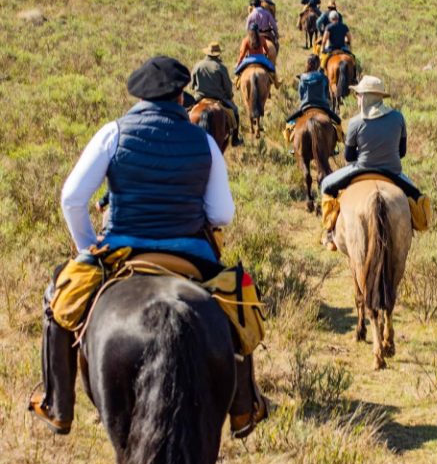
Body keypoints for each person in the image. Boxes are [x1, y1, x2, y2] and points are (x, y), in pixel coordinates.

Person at [27, 56, 268, 438]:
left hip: (121, 249)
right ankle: (243, 410)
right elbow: (222, 214)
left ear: (139, 96)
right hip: (191, 254)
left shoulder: (113, 133)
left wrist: (90, 248)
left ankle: (58, 406)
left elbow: (72, 199)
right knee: (238, 303)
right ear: (180, 96)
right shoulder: (204, 141)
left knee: (57, 296)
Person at [319, 75, 416, 247]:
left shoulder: (355, 122)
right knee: (416, 195)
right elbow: (402, 152)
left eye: (358, 95)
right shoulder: (398, 117)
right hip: (393, 171)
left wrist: (366, 154)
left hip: (361, 169)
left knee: (326, 184)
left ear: (364, 97)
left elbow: (349, 157)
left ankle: (329, 230)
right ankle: (412, 226)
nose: (357, 98)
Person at [284, 55, 343, 154]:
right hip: (322, 107)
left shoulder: (302, 78)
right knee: (338, 122)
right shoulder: (324, 78)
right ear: (318, 65)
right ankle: (334, 146)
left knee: (288, 123)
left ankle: (294, 146)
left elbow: (301, 96)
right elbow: (326, 95)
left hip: (305, 107)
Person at [191, 41, 244, 147]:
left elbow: (193, 84)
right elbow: (228, 87)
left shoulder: (198, 65)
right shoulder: (221, 67)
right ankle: (235, 139)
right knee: (235, 111)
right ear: (218, 54)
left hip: (199, 97)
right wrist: (229, 95)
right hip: (218, 98)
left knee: (185, 111)